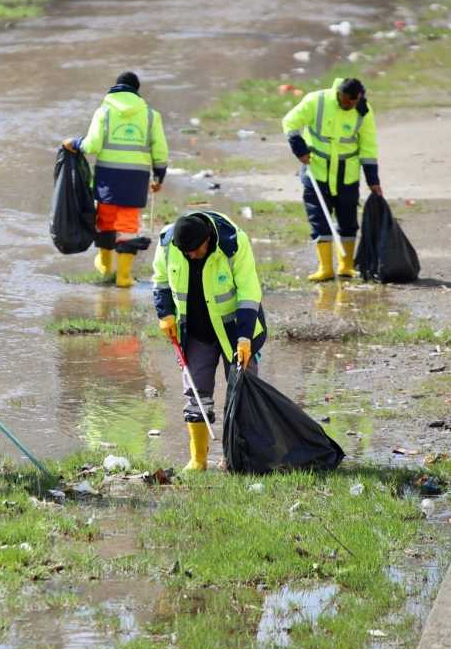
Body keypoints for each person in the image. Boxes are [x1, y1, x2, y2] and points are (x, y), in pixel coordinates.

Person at [152, 211, 266, 471]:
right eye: (186, 252)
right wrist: (166, 314)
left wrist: (245, 337)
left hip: (235, 330)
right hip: (195, 332)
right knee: (195, 393)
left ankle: (236, 459)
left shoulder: (233, 243)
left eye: (194, 250)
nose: (190, 255)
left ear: (208, 239)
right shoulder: (169, 243)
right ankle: (198, 459)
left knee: (242, 393)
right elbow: (160, 280)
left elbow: (249, 292)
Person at [63, 71, 169, 287]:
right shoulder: (151, 116)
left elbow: (91, 145)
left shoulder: (104, 112)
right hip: (136, 180)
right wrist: (159, 176)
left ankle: (104, 265)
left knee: (105, 222)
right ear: (136, 91)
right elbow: (160, 150)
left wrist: (73, 143)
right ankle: (123, 277)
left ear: (116, 88)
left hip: (107, 178)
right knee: (128, 226)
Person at [283, 77, 382, 281]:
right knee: (319, 220)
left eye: (354, 102)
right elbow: (290, 122)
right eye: (347, 101)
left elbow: (368, 146)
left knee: (348, 220)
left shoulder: (364, 111)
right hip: (317, 171)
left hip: (347, 175)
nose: (349, 105)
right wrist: (299, 149)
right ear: (339, 94)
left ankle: (346, 266)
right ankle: (325, 268)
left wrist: (373, 180)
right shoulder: (316, 101)